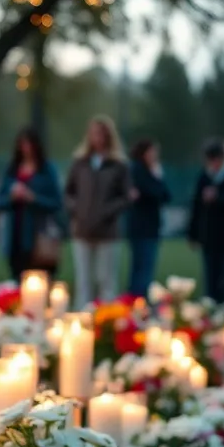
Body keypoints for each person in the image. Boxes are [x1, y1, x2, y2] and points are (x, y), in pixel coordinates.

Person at [65, 116, 132, 306]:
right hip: (82, 228)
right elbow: (69, 192)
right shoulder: (80, 162)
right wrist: (76, 210)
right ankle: (81, 320)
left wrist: (107, 211)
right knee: (83, 280)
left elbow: (126, 196)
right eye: (94, 133)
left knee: (106, 281)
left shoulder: (118, 165)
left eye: (101, 133)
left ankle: (106, 321)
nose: (98, 138)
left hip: (107, 230)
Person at [0, 126, 63, 280]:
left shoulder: (47, 170)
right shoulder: (11, 171)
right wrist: (12, 197)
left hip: (39, 235)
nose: (26, 149)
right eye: (22, 144)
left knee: (40, 278)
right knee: (17, 276)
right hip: (15, 234)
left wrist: (33, 198)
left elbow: (56, 202)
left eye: (29, 144)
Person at [187, 140, 224, 306]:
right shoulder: (204, 176)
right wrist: (193, 233)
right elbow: (196, 206)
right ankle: (212, 304)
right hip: (209, 235)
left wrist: (218, 198)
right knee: (211, 273)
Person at [125, 139, 171, 297]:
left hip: (149, 226)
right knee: (142, 267)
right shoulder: (139, 170)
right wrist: (156, 179)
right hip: (142, 227)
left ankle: (137, 299)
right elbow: (156, 192)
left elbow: (165, 195)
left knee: (142, 266)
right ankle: (138, 300)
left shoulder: (150, 171)